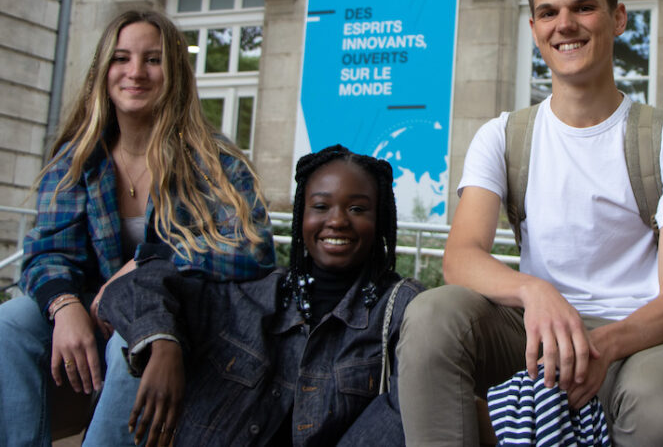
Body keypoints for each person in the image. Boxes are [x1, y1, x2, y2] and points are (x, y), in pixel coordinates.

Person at [398, 0, 663, 447]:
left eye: (584, 7)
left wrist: (601, 346)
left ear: (618, 19)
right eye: (548, 12)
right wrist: (536, 292)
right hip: (533, 329)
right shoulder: (504, 136)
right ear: (534, 30)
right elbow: (460, 258)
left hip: (632, 338)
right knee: (432, 316)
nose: (564, 24)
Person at [0, 9, 275, 447]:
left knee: (133, 339)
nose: (136, 72)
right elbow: (48, 251)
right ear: (103, 70)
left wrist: (147, 264)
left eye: (153, 59)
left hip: (185, 320)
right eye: (122, 58)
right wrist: (64, 304)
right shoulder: (79, 160)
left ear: (175, 73)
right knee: (11, 321)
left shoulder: (214, 160)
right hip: (98, 311)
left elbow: (254, 249)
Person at [99, 144, 423, 446]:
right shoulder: (250, 295)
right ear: (301, 216)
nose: (337, 220)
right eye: (321, 206)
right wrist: (162, 343)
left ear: (379, 220)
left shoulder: (401, 310)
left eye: (357, 208)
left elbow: (410, 409)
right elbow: (137, 285)